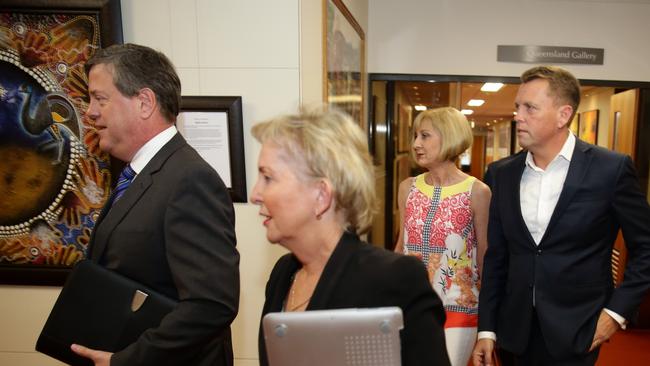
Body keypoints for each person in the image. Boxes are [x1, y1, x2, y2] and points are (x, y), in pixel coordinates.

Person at [70, 43, 240, 366]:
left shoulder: (189, 179)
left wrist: (126, 361)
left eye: (100, 99)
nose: (90, 112)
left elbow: (211, 305)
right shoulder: (136, 174)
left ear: (144, 102)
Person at [472, 65, 650, 366]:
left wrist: (614, 315)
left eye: (530, 107)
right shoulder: (501, 174)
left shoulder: (611, 169)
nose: (518, 115)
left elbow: (646, 248)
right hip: (512, 332)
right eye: (518, 106)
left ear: (563, 115)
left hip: (579, 329)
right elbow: (497, 258)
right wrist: (487, 328)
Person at [250, 106, 451, 366]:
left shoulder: (395, 279)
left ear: (321, 195)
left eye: (268, 178)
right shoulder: (282, 275)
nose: (255, 194)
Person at [394, 107, 491, 366]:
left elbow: (484, 255)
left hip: (458, 305)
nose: (416, 144)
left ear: (448, 137)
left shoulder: (478, 191)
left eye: (425, 136)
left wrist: (489, 323)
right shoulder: (408, 187)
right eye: (416, 136)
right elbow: (401, 245)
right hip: (410, 303)